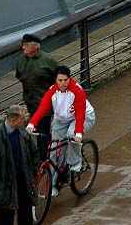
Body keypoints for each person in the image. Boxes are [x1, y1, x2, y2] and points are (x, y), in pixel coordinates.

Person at [27, 65, 96, 197]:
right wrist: (32, 123)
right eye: (60, 80)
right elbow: (42, 107)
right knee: (54, 152)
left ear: (69, 79)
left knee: (71, 136)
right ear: (55, 80)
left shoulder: (77, 91)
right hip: (61, 120)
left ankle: (76, 164)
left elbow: (80, 113)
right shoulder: (52, 91)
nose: (63, 83)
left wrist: (78, 133)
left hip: (83, 117)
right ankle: (52, 185)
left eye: (65, 80)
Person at [14, 33, 59, 155]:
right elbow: (20, 76)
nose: (23, 48)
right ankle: (44, 157)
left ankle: (46, 158)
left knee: (43, 131)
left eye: (26, 45)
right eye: (23, 45)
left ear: (35, 47)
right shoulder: (21, 61)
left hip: (46, 104)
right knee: (38, 131)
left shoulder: (48, 61)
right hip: (31, 103)